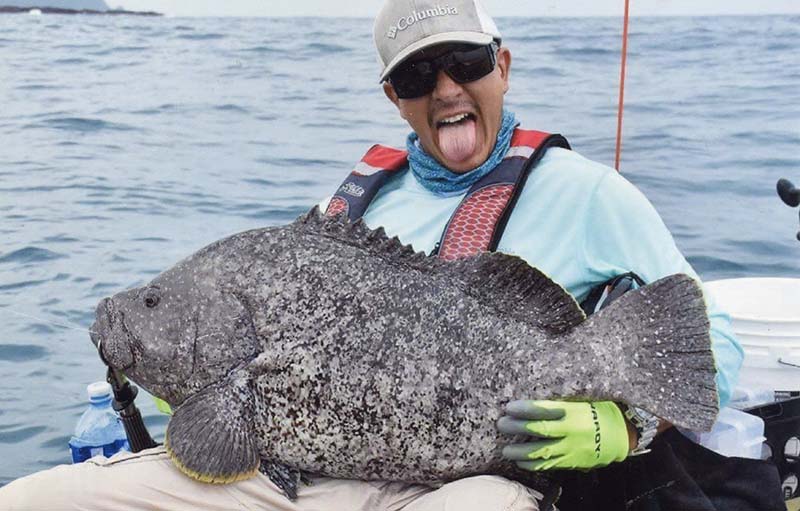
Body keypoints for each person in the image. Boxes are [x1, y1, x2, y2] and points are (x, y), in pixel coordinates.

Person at [0, 1, 784, 510]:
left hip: (470, 480)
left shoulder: (589, 194)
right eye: (417, 74)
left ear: (501, 67)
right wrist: (189, 386)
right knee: (35, 499)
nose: (445, 88)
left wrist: (629, 423)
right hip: (305, 478)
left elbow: (702, 347)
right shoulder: (363, 199)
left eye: (465, 65)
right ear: (393, 95)